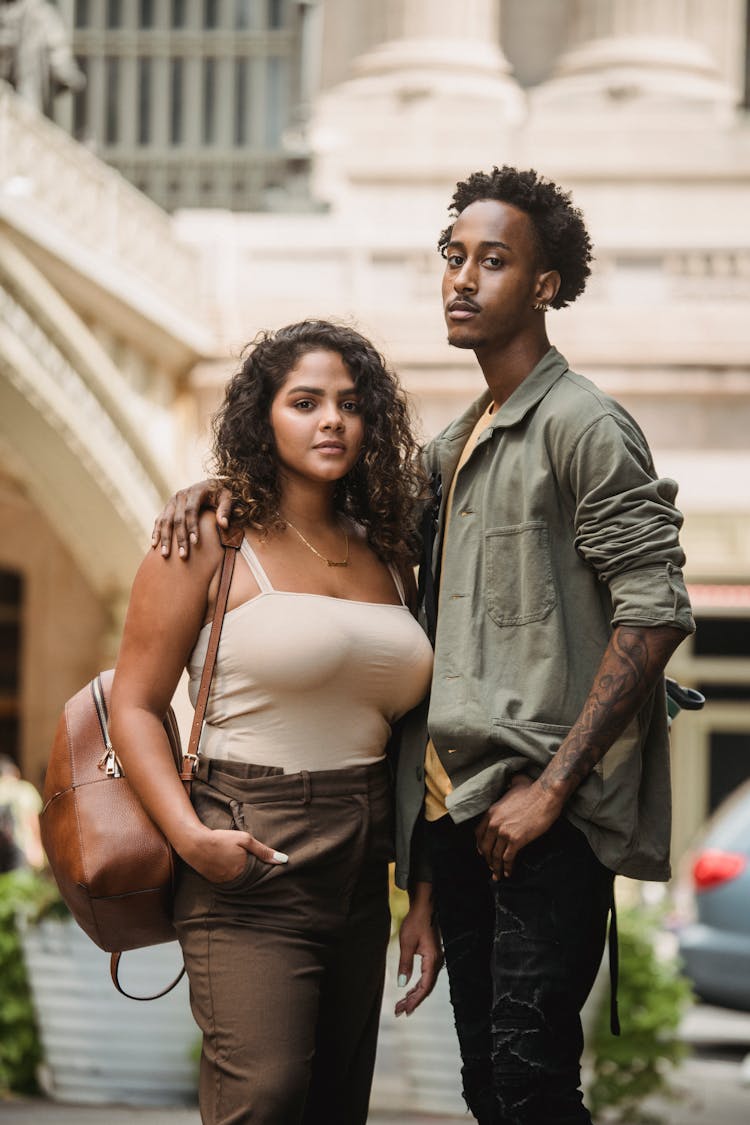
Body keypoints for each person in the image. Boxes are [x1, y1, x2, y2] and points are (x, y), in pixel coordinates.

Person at [153, 167, 695, 1124]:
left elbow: (652, 613)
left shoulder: (585, 428)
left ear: (545, 284)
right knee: (490, 1086)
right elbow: (332, 527)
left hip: (547, 821)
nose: (463, 279)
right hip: (463, 825)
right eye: (453, 257)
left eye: (494, 261)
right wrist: (216, 489)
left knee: (530, 1085)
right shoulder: (451, 450)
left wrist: (553, 789)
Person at [109, 320, 439, 1125]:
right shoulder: (208, 540)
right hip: (244, 841)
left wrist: (423, 892)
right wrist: (191, 839)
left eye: (351, 404)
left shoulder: (393, 555)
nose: (333, 420)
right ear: (265, 418)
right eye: (306, 401)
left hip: (363, 855)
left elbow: (415, 741)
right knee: (264, 1096)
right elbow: (134, 704)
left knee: (333, 1106)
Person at [0, 752, 44, 872]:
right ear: (15, 772)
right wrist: (36, 846)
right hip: (22, 848)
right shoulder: (24, 789)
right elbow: (32, 819)